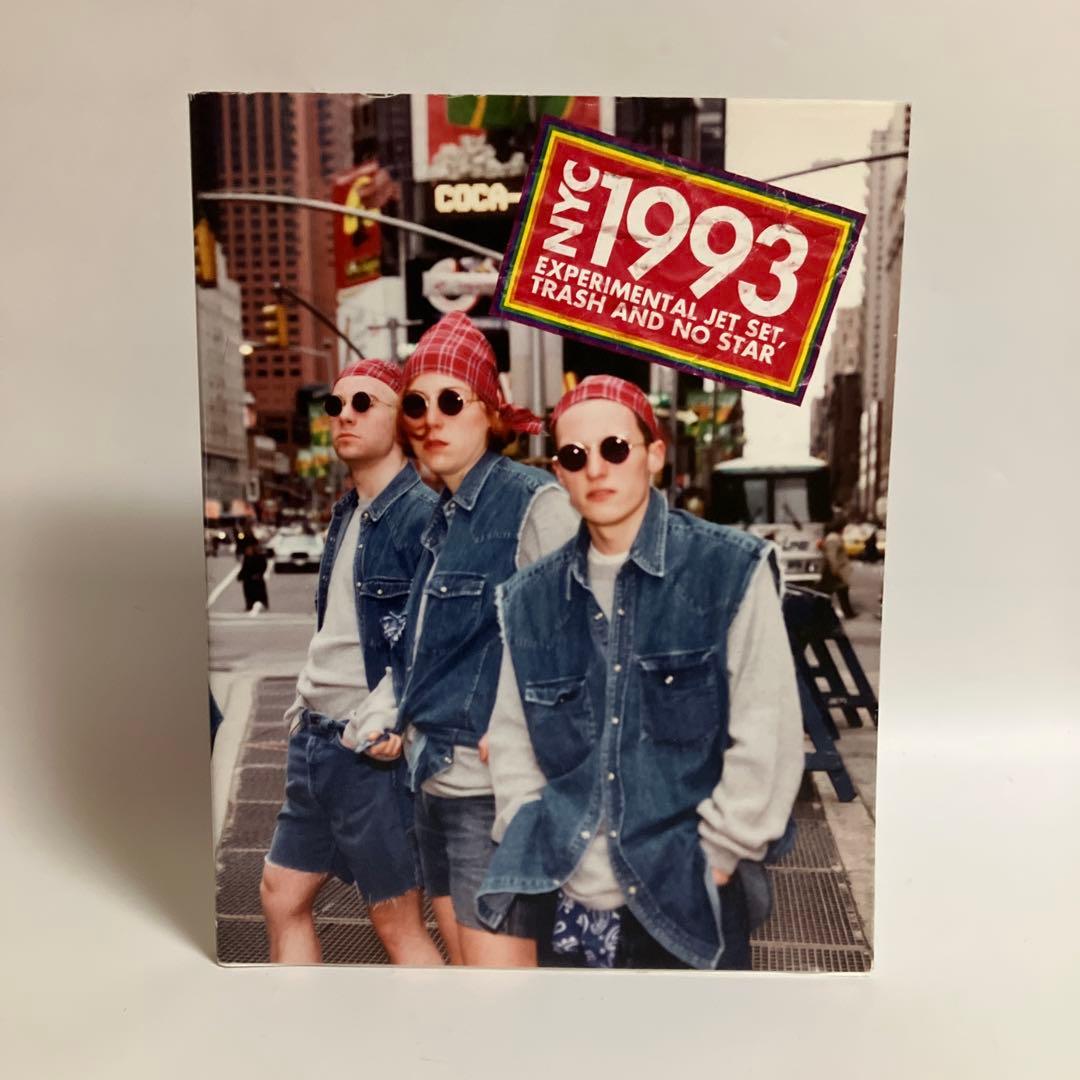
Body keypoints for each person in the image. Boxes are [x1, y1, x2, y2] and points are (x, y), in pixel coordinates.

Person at [477, 376, 805, 970]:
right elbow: (511, 736)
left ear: (654, 454)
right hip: (568, 900)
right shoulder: (528, 598)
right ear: (559, 473)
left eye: (615, 448)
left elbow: (770, 730)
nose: (596, 469)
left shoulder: (727, 568)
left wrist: (719, 856)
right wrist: (534, 831)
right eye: (575, 455)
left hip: (687, 896)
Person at [344, 312, 579, 967]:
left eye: (452, 401)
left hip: (492, 797)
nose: (431, 419)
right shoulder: (442, 518)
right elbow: (429, 654)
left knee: (501, 996)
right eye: (416, 404)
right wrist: (390, 714)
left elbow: (582, 637)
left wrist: (529, 731)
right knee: (471, 989)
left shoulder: (533, 503)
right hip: (435, 784)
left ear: (490, 412)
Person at [260, 358, 443, 966]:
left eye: (364, 403)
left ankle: (444, 1029)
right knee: (281, 895)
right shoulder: (347, 513)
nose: (344, 415)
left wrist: (395, 716)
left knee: (396, 922)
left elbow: (435, 636)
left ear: (403, 421)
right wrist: (302, 701)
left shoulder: (421, 516)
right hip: (314, 741)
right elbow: (338, 627)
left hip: (370, 753)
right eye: (335, 405)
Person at [819, 518, 857, 618]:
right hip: (834, 569)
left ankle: (848, 612)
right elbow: (832, 556)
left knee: (840, 590)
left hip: (834, 569)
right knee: (832, 591)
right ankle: (847, 613)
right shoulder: (833, 538)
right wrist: (835, 570)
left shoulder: (833, 537)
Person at [237, 536, 269, 613]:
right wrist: (240, 575)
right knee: (248, 592)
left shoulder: (260, 556)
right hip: (248, 578)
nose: (247, 551)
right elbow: (244, 568)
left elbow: (263, 566)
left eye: (249, 549)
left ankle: (263, 603)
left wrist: (259, 574)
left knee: (260, 592)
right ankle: (249, 605)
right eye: (247, 550)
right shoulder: (247, 557)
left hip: (257, 577)